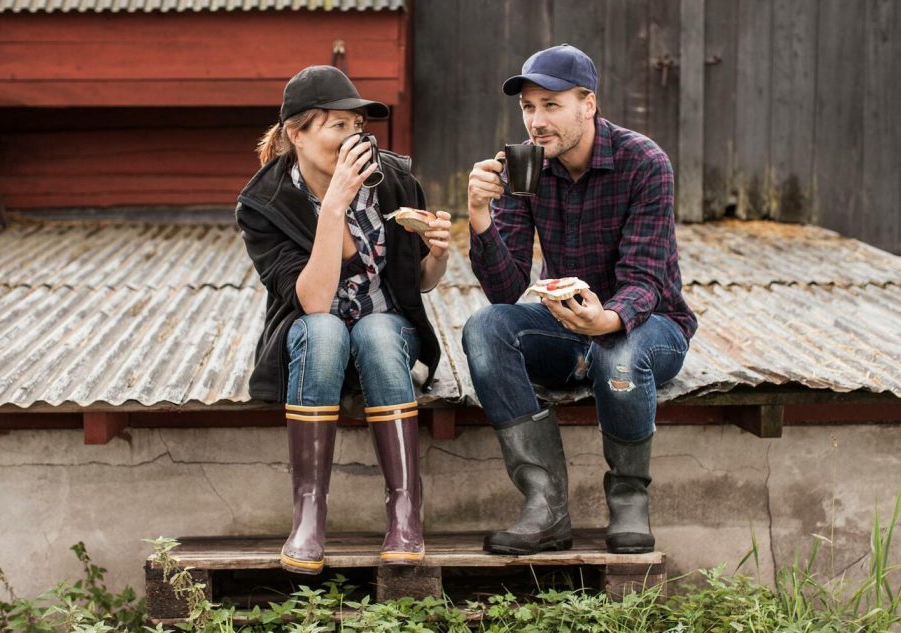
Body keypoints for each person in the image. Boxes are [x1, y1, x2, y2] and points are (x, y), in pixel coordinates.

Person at [463, 45, 697, 555]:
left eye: (551, 105)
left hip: (651, 325)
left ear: (587, 104)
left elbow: (646, 280)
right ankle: (545, 507)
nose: (536, 121)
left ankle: (630, 497)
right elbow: (506, 292)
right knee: (486, 327)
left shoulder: (644, 162)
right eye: (528, 107)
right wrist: (479, 216)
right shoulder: (525, 167)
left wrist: (608, 319)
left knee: (619, 350)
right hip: (565, 325)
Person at [235, 65, 450, 573]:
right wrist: (333, 207)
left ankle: (404, 509)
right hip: (315, 348)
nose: (354, 137)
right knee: (326, 327)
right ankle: (309, 512)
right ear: (297, 134)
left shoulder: (395, 181)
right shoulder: (264, 204)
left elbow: (415, 283)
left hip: (384, 340)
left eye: (358, 126)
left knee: (376, 330)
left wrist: (438, 255)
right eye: (338, 126)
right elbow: (311, 301)